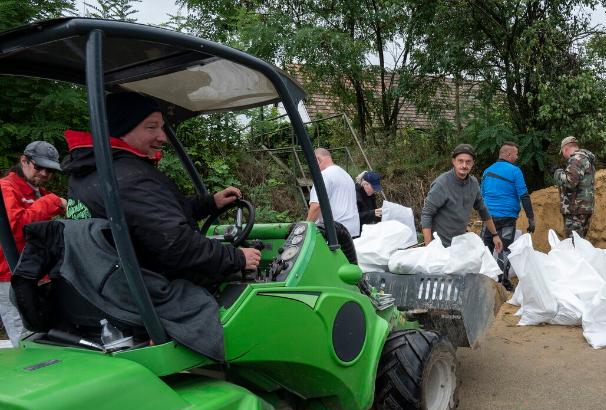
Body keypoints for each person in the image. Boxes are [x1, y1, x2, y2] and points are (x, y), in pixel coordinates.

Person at [62, 92, 260, 285]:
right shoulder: (130, 178)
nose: (162, 137)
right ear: (120, 128)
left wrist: (210, 203)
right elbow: (176, 244)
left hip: (111, 283)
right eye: (151, 127)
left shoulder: (89, 170)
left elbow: (151, 216)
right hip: (152, 288)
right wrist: (237, 257)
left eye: (162, 127)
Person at [0, 141, 66, 346]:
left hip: (37, 275)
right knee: (26, 336)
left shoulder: (38, 192)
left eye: (50, 170)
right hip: (11, 278)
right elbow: (14, 228)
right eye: (39, 167)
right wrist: (52, 202)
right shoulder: (5, 188)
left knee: (47, 332)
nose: (45, 174)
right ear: (24, 161)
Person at [421, 144, 503, 252]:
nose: (464, 165)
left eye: (468, 161)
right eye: (460, 161)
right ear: (453, 161)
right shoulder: (442, 183)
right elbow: (427, 214)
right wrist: (429, 247)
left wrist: (495, 235)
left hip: (459, 244)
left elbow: (483, 209)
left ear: (473, 163)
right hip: (439, 246)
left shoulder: (473, 183)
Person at [480, 141, 535, 289]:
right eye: (516, 154)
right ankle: (502, 283)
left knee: (485, 249)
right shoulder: (515, 171)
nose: (517, 157)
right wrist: (531, 218)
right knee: (504, 250)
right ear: (509, 154)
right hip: (507, 219)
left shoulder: (487, 171)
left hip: (488, 218)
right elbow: (524, 195)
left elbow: (482, 195)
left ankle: (483, 282)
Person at [306, 148, 360, 238]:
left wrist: (305, 229)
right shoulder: (346, 175)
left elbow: (316, 206)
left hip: (335, 231)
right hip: (352, 231)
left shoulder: (323, 176)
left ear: (317, 160)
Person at [553, 136, 596, 238]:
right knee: (579, 243)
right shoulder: (586, 159)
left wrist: (557, 172)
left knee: (573, 245)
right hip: (583, 208)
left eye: (562, 152)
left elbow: (570, 182)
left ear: (565, 149)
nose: (563, 155)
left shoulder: (576, 160)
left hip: (575, 210)